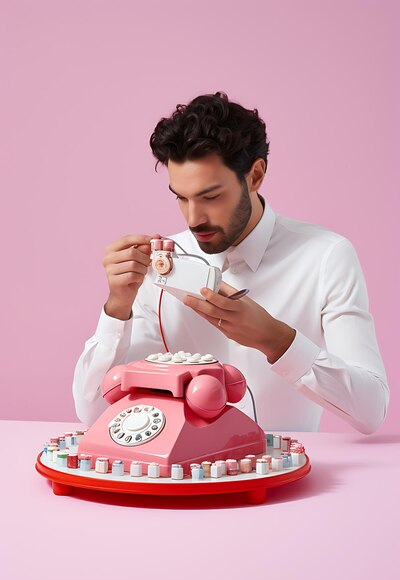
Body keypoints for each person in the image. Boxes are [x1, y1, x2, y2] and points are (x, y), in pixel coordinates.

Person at [72, 91, 389, 434]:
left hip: (282, 477)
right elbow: (92, 412)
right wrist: (117, 307)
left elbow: (371, 410)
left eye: (210, 197)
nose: (194, 219)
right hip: (183, 476)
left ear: (255, 175)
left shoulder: (326, 257)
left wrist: (276, 340)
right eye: (181, 197)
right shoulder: (163, 262)